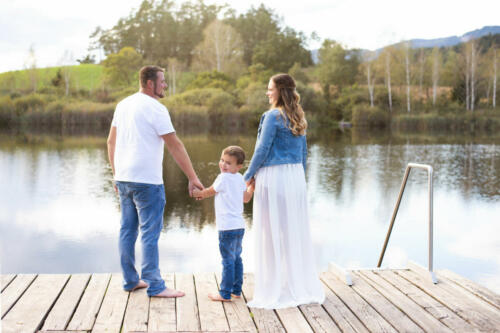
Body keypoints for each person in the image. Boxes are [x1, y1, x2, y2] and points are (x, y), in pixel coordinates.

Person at [107, 65, 204, 297]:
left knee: (127, 230)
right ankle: (155, 285)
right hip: (147, 181)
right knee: (150, 232)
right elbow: (175, 145)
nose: (165, 85)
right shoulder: (156, 108)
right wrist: (192, 177)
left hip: (124, 178)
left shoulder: (123, 105)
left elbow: (111, 142)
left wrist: (115, 173)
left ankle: (131, 281)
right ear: (150, 83)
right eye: (162, 81)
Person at [243, 73, 325, 309]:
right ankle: (294, 284)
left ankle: (273, 287)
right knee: (292, 232)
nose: (267, 93)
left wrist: (247, 177)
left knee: (270, 234)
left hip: (275, 176)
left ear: (280, 91)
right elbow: (303, 154)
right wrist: (301, 180)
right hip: (295, 177)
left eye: (270, 89)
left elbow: (262, 150)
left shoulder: (272, 117)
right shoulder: (297, 116)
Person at [193, 146, 254, 302]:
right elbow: (246, 198)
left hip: (226, 228)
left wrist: (198, 194)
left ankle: (225, 293)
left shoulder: (223, 178)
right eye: (222, 160)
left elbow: (210, 191)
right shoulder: (240, 178)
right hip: (239, 226)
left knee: (227, 260)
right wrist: (251, 187)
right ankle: (236, 290)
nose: (223, 165)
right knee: (237, 258)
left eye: (228, 163)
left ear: (238, 166)